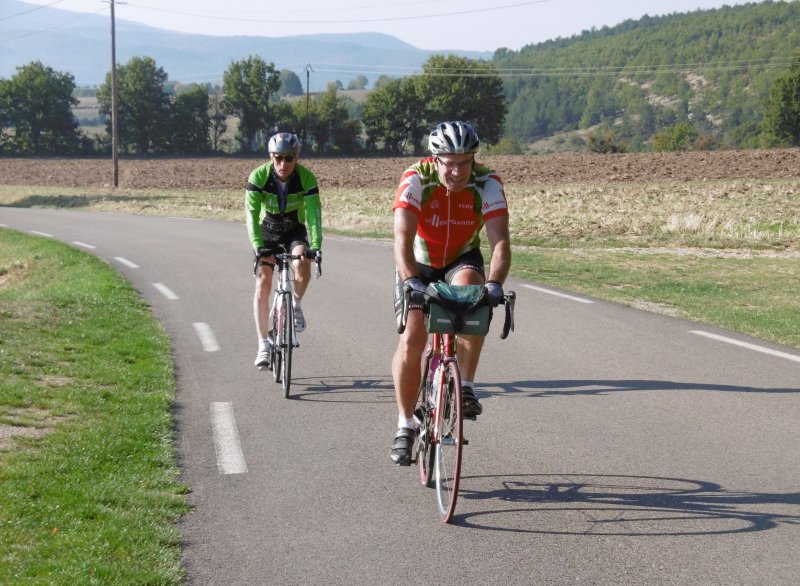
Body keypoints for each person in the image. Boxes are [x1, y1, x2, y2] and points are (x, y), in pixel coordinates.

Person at [389, 121, 511, 465]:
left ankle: (466, 385)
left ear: (474, 159)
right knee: (413, 336)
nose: (456, 171)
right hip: (419, 262)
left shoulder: (487, 183)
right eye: (449, 162)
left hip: (461, 258)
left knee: (475, 295)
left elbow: (500, 241)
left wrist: (495, 284)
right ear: (435, 158)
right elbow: (401, 239)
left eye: (464, 162)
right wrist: (412, 281)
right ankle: (405, 424)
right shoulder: (416, 178)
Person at [245, 132, 322, 368]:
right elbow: (250, 214)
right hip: (266, 231)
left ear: (296, 158)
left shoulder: (306, 178)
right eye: (278, 158)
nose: (283, 164)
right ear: (271, 156)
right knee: (263, 281)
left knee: (302, 264)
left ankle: (295, 305)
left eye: (289, 158)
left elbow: (313, 215)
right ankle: (263, 344)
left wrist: (316, 246)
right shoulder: (259, 176)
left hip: (293, 230)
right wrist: (258, 246)